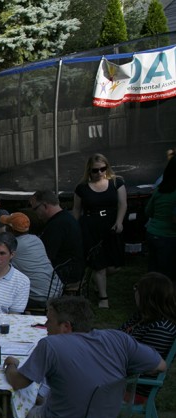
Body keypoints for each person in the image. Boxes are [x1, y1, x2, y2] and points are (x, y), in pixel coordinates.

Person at [3, 296, 166, 418]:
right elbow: (160, 366)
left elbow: (17, 382)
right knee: (41, 397)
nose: (45, 325)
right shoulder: (118, 338)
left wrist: (11, 364)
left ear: (66, 327)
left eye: (49, 320)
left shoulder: (50, 345)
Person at [73, 153, 126, 308]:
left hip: (111, 226)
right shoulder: (82, 188)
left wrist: (119, 221)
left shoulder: (117, 182)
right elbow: (76, 210)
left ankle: (96, 280)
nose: (100, 173)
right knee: (99, 264)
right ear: (89, 170)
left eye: (103, 169)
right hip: (90, 227)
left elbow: (122, 204)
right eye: (95, 170)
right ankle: (103, 298)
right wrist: (74, 229)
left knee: (115, 265)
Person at [119, 272, 176, 400]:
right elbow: (117, 335)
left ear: (148, 296)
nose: (135, 291)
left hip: (132, 388)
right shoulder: (142, 316)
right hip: (117, 375)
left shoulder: (161, 328)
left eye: (137, 287)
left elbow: (145, 364)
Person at [29, 190, 84, 286]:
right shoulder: (66, 217)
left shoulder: (57, 225)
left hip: (63, 275)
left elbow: (45, 256)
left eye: (35, 209)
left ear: (45, 206)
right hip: (72, 269)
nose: (35, 213)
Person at [1, 213, 55, 308]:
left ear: (10, 229)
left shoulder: (15, 246)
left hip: (38, 297)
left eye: (6, 227)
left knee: (1, 289)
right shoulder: (36, 239)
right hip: (54, 290)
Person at [144, 155, 176, 282]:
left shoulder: (159, 190)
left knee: (154, 271)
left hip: (153, 234)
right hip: (168, 238)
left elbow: (148, 211)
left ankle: (149, 292)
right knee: (167, 276)